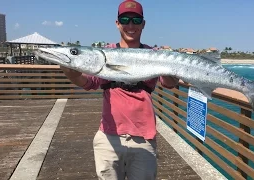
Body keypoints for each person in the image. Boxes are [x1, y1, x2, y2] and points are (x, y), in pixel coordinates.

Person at [60, 0, 179, 179]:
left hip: (144, 139)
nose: (130, 25)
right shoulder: (104, 53)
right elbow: (88, 82)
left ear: (143, 24)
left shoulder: (154, 54)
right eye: (125, 20)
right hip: (109, 137)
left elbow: (169, 83)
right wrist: (69, 71)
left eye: (136, 21)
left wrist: (171, 69)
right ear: (117, 24)